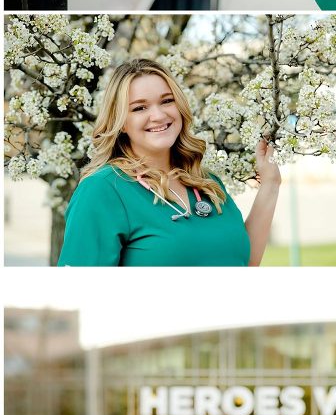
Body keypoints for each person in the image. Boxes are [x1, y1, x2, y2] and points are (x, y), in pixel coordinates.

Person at [57, 59, 280, 267]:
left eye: (166, 101)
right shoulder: (103, 190)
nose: (158, 115)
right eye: (139, 108)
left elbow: (242, 263)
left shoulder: (208, 183)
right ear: (121, 122)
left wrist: (270, 183)